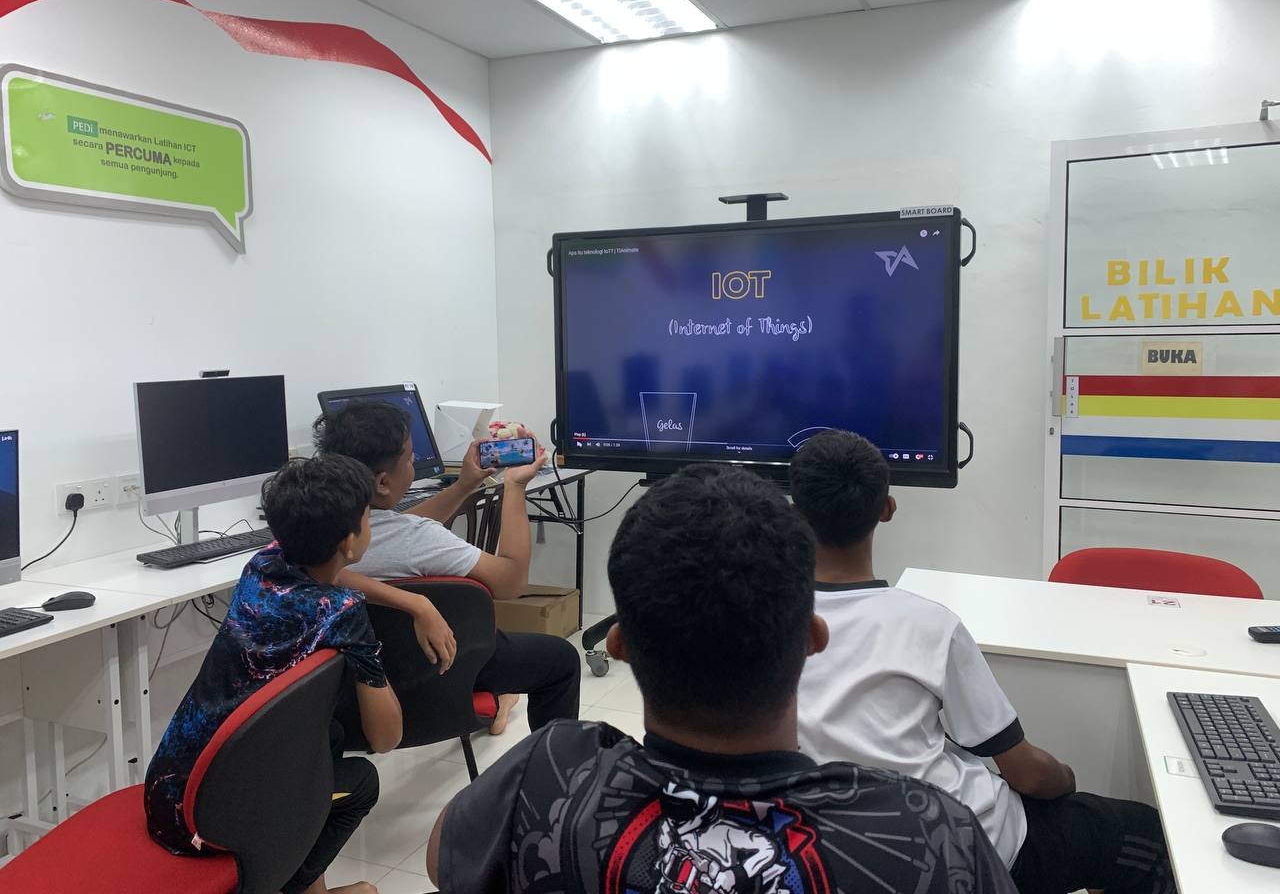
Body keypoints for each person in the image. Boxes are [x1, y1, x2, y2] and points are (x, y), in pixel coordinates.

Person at [425, 464, 1017, 894]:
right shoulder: (929, 831)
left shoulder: (547, 770)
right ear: (813, 638)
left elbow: (440, 858)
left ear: (619, 646)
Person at [790, 430, 1174, 894]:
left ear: (794, 511)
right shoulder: (930, 625)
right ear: (887, 508)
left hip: (822, 854)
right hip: (965, 846)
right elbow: (1026, 772)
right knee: (1154, 838)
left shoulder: (767, 624)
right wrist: (1066, 780)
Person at [144, 454, 402, 894]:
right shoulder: (343, 613)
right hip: (209, 822)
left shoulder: (260, 564)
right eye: (367, 517)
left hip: (167, 794)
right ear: (349, 541)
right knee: (362, 783)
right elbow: (386, 737)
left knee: (329, 737)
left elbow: (330, 581)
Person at [313, 401, 580, 733]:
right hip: (440, 669)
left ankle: (502, 702)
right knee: (561, 660)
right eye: (410, 459)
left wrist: (463, 485)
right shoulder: (419, 540)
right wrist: (514, 487)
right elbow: (511, 581)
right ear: (382, 483)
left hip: (351, 691)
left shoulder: (312, 537)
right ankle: (552, 757)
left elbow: (397, 528)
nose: (414, 464)